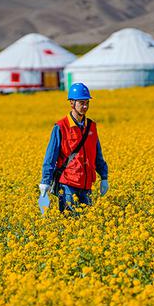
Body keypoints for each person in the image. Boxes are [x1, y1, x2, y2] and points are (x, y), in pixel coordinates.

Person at [39, 82, 108, 212]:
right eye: (81, 102)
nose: (85, 106)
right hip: (68, 185)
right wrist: (45, 181)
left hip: (87, 185)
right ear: (72, 103)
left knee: (87, 225)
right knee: (69, 221)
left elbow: (97, 154)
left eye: (87, 102)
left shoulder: (91, 126)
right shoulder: (61, 126)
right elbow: (50, 156)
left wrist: (104, 177)